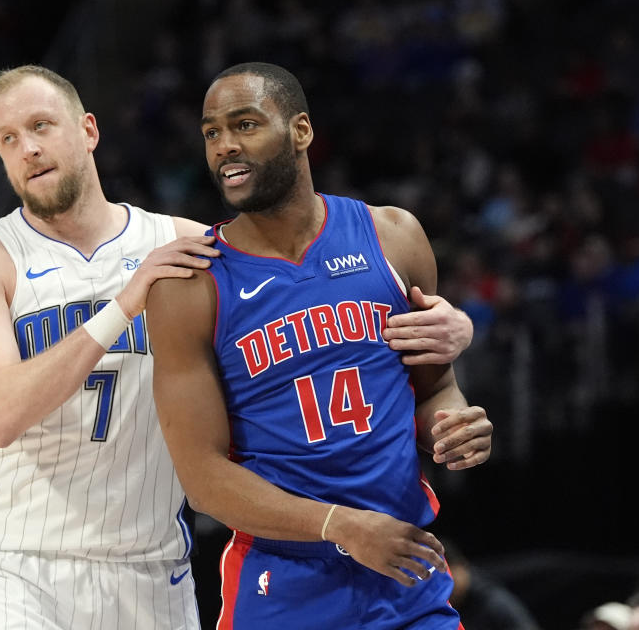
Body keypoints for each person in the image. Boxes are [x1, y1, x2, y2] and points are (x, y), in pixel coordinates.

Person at [0, 64, 474, 630]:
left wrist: (453, 326)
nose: (28, 149)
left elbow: (314, 289)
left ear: (89, 130)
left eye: (41, 126)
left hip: (152, 561)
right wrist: (123, 304)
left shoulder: (186, 246)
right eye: (8, 139)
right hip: (22, 559)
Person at [146, 62, 493, 629]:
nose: (225, 147)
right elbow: (203, 479)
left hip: (404, 572)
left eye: (246, 124)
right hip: (284, 582)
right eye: (212, 133)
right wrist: (340, 525)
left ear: (301, 130)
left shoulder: (394, 237)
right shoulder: (190, 286)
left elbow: (436, 389)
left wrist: (454, 426)